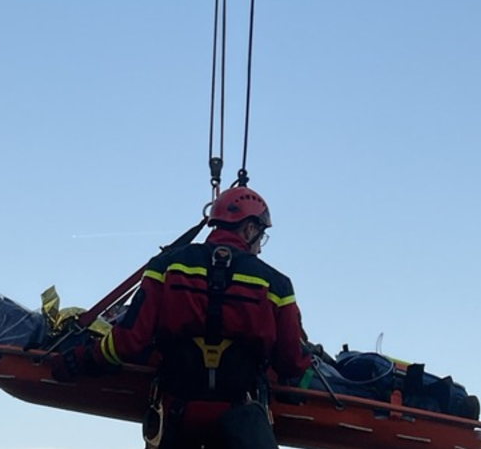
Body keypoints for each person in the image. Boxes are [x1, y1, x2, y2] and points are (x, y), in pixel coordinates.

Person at [49, 186, 311, 449]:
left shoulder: (166, 265)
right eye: (261, 237)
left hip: (178, 417)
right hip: (243, 422)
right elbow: (291, 362)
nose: (260, 249)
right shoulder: (277, 285)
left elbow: (128, 341)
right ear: (250, 229)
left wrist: (78, 360)